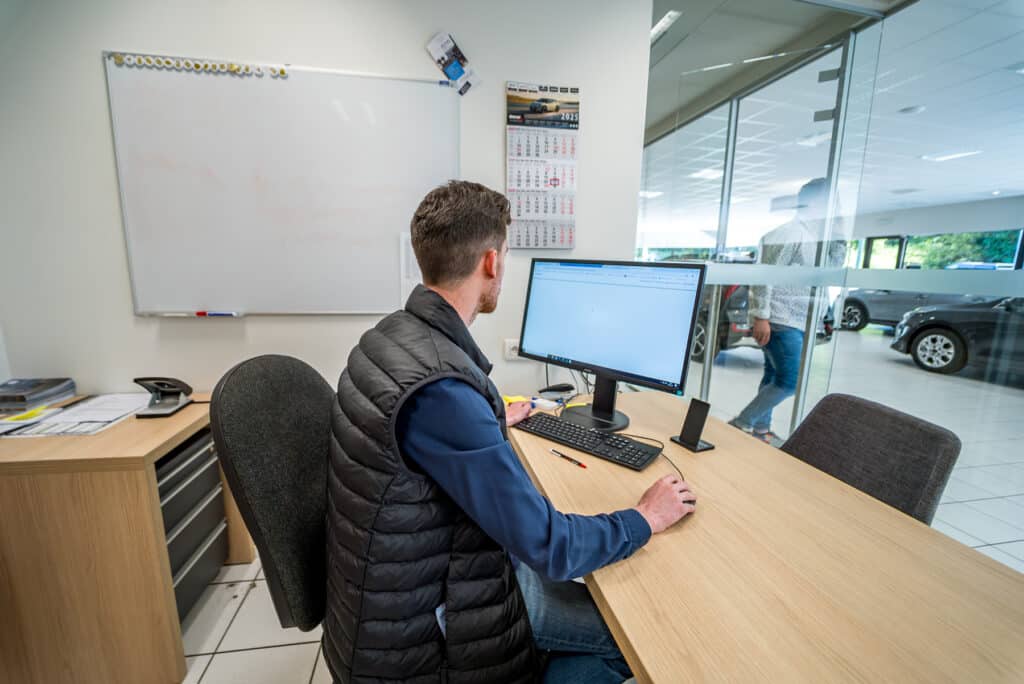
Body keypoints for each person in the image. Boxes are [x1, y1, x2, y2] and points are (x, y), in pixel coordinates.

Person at [324, 180, 696, 684]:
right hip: (433, 628)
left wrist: (489, 420)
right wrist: (645, 517)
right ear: (492, 263)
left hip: (390, 592)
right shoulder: (444, 394)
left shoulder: (393, 336)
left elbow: (414, 442)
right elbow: (551, 546)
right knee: (634, 631)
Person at [729, 178, 845, 443]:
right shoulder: (788, 233)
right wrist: (761, 317)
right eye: (830, 200)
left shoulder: (819, 236)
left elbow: (832, 270)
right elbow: (764, 276)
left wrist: (838, 234)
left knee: (773, 377)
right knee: (789, 382)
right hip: (781, 319)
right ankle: (741, 424)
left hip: (801, 320)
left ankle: (760, 430)